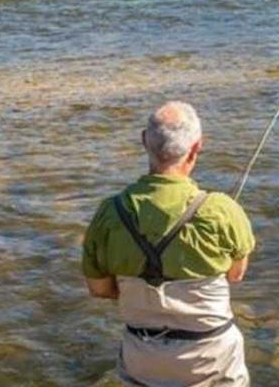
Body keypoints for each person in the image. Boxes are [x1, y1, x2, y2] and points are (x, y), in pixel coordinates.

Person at [82, 101, 255, 386]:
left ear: (143, 142)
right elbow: (235, 275)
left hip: (143, 357)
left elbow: (99, 289)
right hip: (211, 359)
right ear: (197, 146)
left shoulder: (109, 212)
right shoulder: (222, 209)